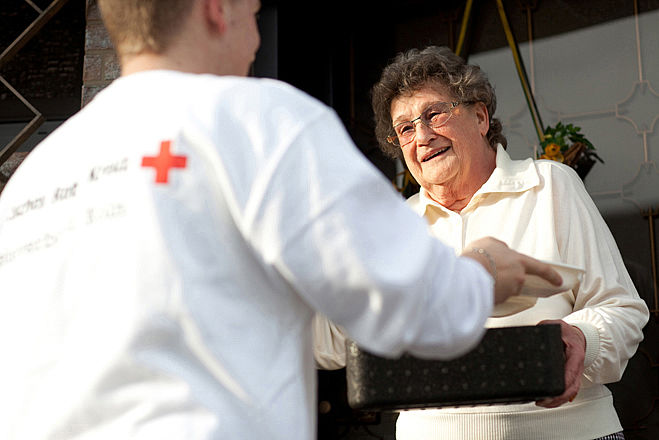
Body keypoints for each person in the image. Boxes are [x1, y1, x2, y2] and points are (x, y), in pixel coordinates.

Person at [0, 3, 563, 440]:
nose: (256, 38)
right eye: (251, 13)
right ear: (217, 7)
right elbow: (417, 306)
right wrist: (486, 269)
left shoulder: (36, 175)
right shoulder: (258, 121)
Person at [367, 46, 648, 440]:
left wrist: (584, 337)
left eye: (434, 114)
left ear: (480, 116)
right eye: (406, 128)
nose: (423, 137)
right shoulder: (397, 227)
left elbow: (621, 308)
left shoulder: (548, 185)